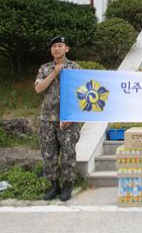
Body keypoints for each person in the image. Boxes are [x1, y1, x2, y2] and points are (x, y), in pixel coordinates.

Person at [34, 36, 81, 201]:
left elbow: (80, 95)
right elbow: (39, 89)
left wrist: (72, 116)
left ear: (66, 48)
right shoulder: (45, 68)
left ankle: (68, 184)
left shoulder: (75, 68)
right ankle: (53, 185)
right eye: (54, 46)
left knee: (68, 153)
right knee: (49, 154)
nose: (56, 49)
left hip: (67, 119)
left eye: (60, 46)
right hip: (48, 118)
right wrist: (54, 73)